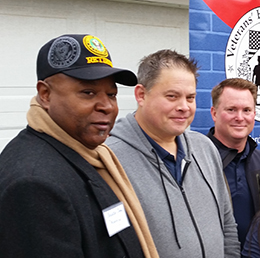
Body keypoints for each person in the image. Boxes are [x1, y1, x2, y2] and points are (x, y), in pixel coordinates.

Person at [0, 34, 158, 257]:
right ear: (45, 94)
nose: (107, 106)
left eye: (111, 94)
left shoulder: (90, 155)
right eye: (88, 93)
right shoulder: (33, 183)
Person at [106, 49, 239, 257]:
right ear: (141, 95)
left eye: (190, 97)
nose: (184, 107)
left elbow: (227, 223)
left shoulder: (205, 149)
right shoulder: (110, 160)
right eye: (172, 96)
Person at [207, 77, 260, 248]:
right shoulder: (199, 159)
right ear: (214, 113)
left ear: (254, 114)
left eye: (247, 110)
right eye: (231, 109)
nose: (240, 117)